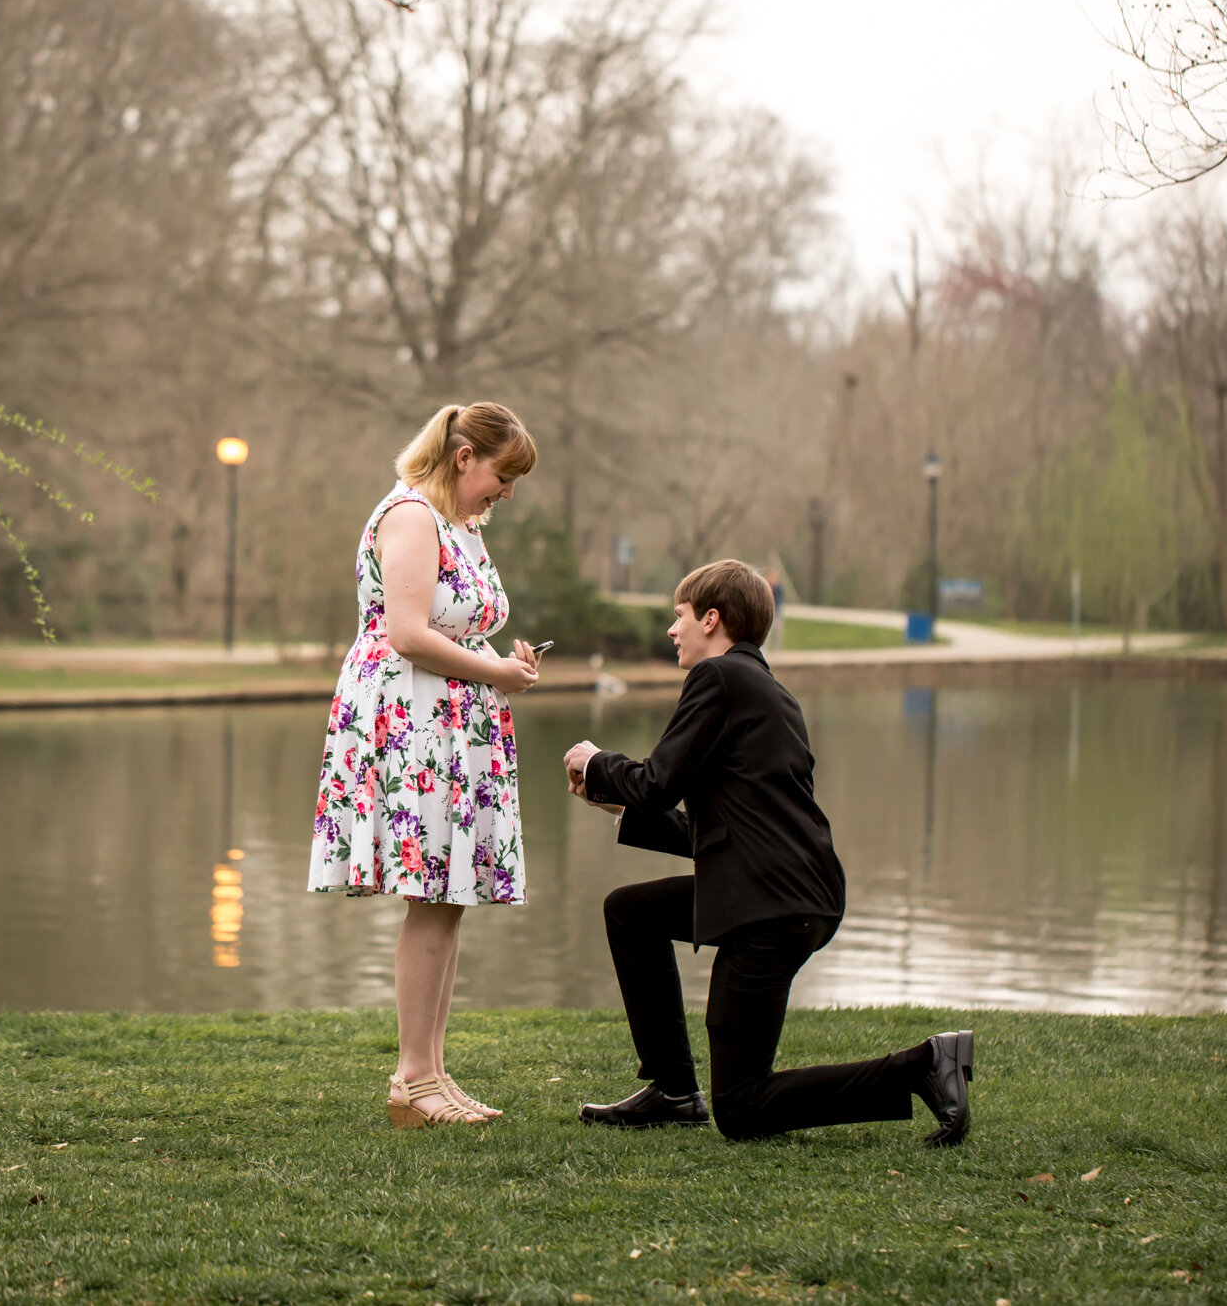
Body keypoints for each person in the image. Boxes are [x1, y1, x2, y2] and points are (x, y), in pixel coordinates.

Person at [563, 559, 973, 1144]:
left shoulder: (719, 680)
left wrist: (596, 762)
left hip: (773, 907)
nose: (671, 632)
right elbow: (725, 833)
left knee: (743, 1107)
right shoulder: (768, 693)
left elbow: (658, 780)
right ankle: (673, 1089)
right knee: (631, 911)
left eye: (678, 618)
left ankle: (925, 1067)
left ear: (712, 619)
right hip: (783, 892)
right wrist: (619, 807)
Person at [306, 402, 543, 1127]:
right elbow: (406, 633)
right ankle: (413, 1079)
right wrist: (492, 671)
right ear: (464, 455)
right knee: (431, 892)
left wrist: (503, 666)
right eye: (502, 476)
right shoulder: (409, 516)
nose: (505, 493)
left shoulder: (462, 525)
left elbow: (456, 624)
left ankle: (432, 1072)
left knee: (449, 894)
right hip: (409, 720)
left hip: (454, 719)